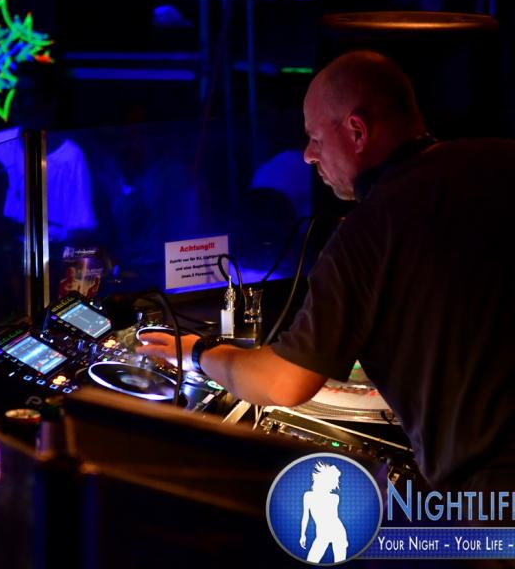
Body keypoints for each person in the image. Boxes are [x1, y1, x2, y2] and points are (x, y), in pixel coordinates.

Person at [137, 50, 515, 495]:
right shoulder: (501, 157)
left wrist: (199, 352)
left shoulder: (369, 230)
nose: (307, 155)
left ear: (356, 131)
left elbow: (285, 382)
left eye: (315, 137)